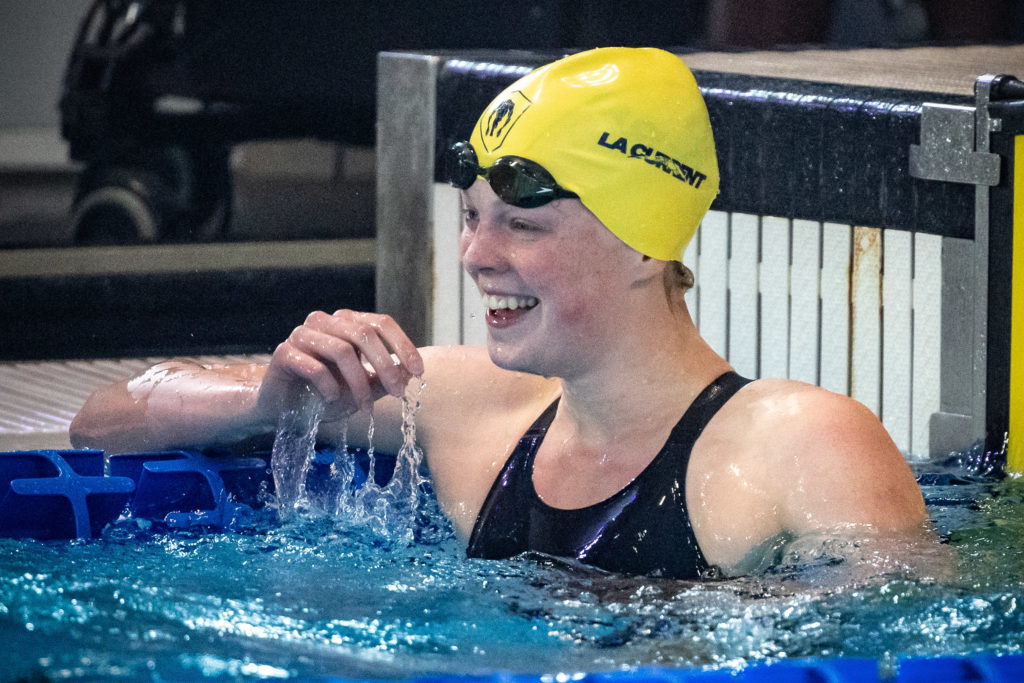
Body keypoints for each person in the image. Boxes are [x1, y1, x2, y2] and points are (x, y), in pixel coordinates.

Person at [71, 47, 934, 580]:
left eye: (523, 222)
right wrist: (266, 402)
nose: (477, 255)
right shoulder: (459, 401)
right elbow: (102, 420)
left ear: (645, 243)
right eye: (473, 216)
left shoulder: (806, 443)